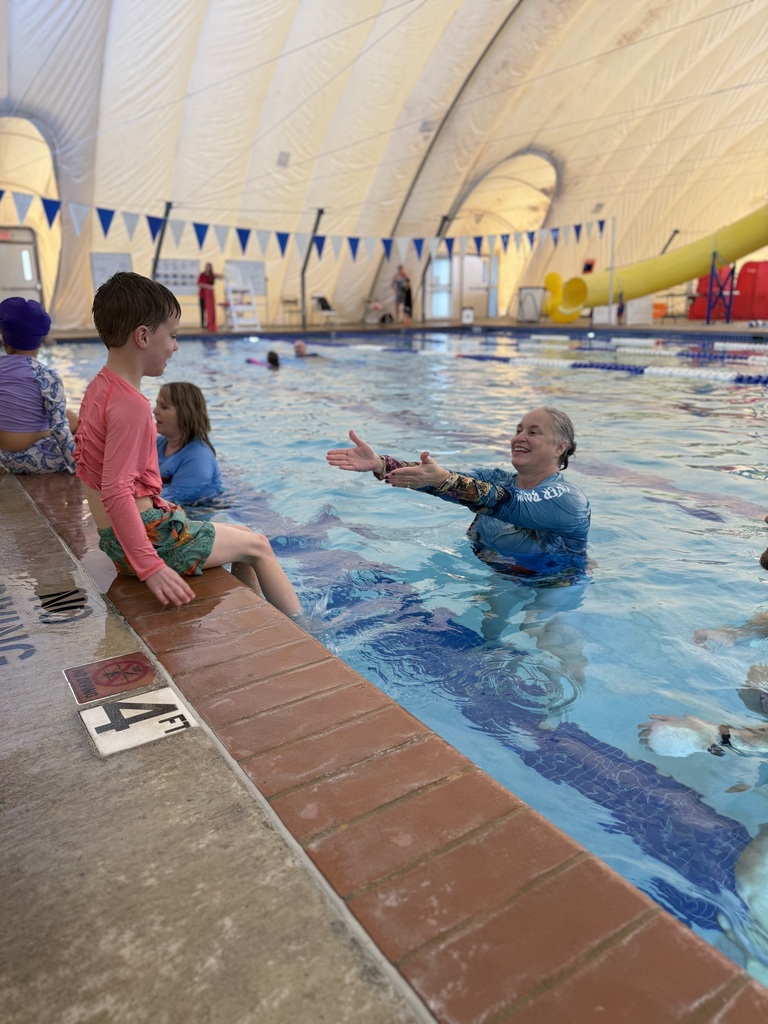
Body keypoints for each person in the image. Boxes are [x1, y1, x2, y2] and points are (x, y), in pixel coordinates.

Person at [74, 271, 301, 615]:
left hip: (117, 540)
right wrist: (151, 566)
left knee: (241, 535)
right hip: (152, 540)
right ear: (144, 336)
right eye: (173, 336)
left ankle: (260, 617)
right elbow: (116, 490)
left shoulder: (98, 389)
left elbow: (91, 471)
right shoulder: (131, 405)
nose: (176, 347)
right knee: (259, 546)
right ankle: (303, 630)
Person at [325, 407, 590, 578]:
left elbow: (508, 504)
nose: (519, 437)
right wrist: (382, 464)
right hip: (497, 574)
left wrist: (446, 480)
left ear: (559, 447)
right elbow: (438, 480)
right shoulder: (497, 478)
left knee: (555, 649)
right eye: (518, 430)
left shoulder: (567, 499)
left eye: (533, 432)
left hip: (553, 587)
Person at [0, 296, 77, 474]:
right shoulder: (46, 376)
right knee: (83, 434)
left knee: (71, 417)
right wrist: (77, 466)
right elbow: (59, 429)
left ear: (5, 343)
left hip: (2, 456)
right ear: (39, 343)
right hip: (33, 459)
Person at [154, 381, 224, 506]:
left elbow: (170, 501)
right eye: (157, 405)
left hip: (196, 512)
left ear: (185, 414)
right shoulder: (158, 443)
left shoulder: (198, 457)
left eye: (164, 407)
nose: (155, 411)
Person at [197, 262, 221, 332]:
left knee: (210, 311)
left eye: (209, 267)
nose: (207, 268)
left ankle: (210, 324)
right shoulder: (202, 275)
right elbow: (199, 284)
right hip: (203, 296)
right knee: (202, 311)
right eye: (207, 267)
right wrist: (208, 286)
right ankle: (202, 325)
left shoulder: (211, 276)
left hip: (210, 297)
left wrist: (220, 275)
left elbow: (220, 277)